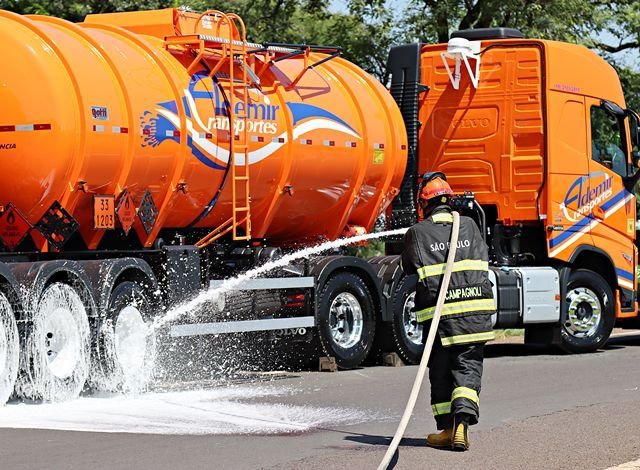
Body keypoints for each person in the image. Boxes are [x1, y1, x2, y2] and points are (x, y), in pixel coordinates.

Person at [400, 172, 495, 451]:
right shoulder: (470, 226)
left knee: (441, 371)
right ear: (449, 200)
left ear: (423, 204)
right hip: (475, 313)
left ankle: (447, 429)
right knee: (467, 367)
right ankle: (462, 424)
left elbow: (407, 266)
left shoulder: (418, 233)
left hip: (440, 320)